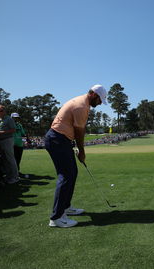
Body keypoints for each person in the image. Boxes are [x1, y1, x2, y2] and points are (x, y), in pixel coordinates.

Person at [45, 84, 107, 228]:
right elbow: (79, 132)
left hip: (61, 139)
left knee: (72, 173)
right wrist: (82, 151)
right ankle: (56, 217)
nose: (99, 104)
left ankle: (66, 207)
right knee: (66, 176)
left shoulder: (84, 103)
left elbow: (77, 129)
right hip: (57, 139)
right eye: (99, 100)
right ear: (93, 95)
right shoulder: (81, 106)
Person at [0, 105, 19, 184]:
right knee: (4, 160)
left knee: (10, 159)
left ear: (5, 111)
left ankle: (15, 177)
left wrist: (1, 132)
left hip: (8, 140)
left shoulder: (9, 119)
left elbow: (13, 130)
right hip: (0, 141)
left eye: (1, 110)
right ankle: (8, 176)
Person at [11, 112, 27, 177]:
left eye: (17, 118)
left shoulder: (19, 125)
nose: (16, 119)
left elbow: (23, 134)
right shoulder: (10, 125)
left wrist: (24, 142)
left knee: (18, 159)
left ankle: (17, 172)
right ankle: (13, 173)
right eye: (14, 118)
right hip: (12, 145)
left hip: (20, 145)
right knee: (13, 160)